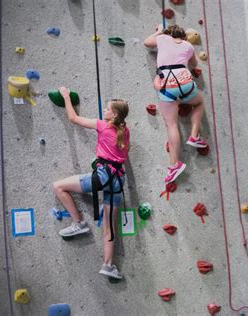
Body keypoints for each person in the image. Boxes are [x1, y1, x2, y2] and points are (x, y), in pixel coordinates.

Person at [52, 87, 130, 280]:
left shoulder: (104, 125)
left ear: (115, 114)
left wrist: (66, 97)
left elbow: (73, 119)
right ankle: (108, 265)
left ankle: (79, 223)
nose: (104, 110)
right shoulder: (125, 131)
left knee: (58, 186)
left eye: (107, 109)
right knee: (109, 227)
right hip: (118, 180)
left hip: (103, 176)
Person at [144, 24, 207, 184]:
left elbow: (147, 42)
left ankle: (174, 165)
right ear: (183, 36)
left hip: (167, 84)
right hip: (184, 81)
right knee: (199, 102)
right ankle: (193, 135)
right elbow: (194, 65)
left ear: (168, 34)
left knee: (172, 126)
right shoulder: (188, 45)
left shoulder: (162, 38)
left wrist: (158, 31)